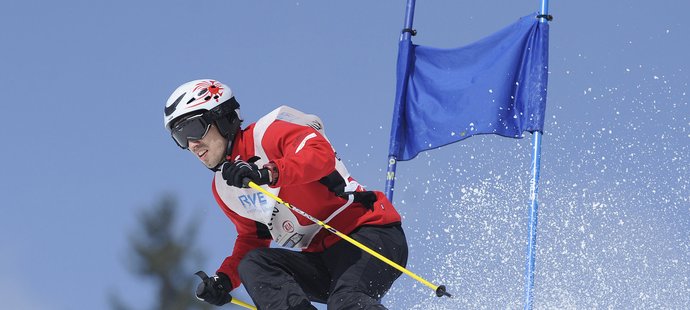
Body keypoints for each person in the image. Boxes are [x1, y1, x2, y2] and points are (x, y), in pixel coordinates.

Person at [163, 79, 408, 309]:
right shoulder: (225, 188)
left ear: (223, 118)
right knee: (254, 263)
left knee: (344, 302)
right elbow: (253, 239)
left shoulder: (268, 134)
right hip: (321, 259)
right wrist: (225, 279)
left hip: (368, 235)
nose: (192, 144)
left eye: (194, 128)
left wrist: (268, 173)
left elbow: (320, 155)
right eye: (180, 137)